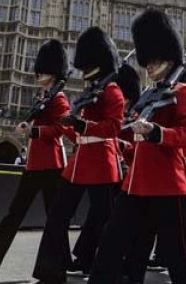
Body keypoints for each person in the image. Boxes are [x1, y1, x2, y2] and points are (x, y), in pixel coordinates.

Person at [88, 8, 186, 284]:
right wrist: (126, 146)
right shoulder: (149, 95)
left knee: (179, 257)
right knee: (111, 247)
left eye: (153, 60)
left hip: (167, 184)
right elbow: (140, 144)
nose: (148, 66)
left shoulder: (183, 92)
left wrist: (157, 133)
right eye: (147, 61)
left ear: (168, 57)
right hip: (135, 185)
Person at [32, 27, 125, 283]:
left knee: (106, 221)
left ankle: (108, 272)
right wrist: (71, 126)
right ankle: (50, 272)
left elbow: (114, 127)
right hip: (79, 162)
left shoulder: (112, 91)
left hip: (101, 163)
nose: (84, 71)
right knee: (57, 216)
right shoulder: (88, 92)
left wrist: (83, 126)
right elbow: (78, 132)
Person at [0, 39, 71, 279]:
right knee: (15, 213)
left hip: (52, 165)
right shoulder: (42, 97)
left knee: (54, 219)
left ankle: (59, 264)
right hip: (36, 163)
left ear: (55, 72)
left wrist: (34, 131)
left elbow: (60, 129)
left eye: (44, 70)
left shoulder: (59, 99)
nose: (39, 74)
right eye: (39, 70)